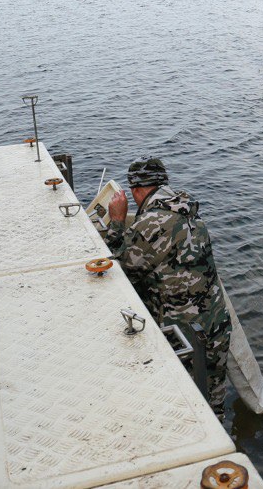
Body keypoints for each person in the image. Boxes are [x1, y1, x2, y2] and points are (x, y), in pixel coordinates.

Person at [103, 157, 232, 418]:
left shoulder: (152, 223)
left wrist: (117, 221)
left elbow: (120, 269)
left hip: (185, 331)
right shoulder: (186, 208)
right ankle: (222, 443)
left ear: (136, 190)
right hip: (215, 322)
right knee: (213, 400)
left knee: (185, 404)